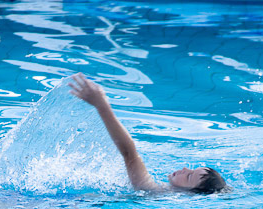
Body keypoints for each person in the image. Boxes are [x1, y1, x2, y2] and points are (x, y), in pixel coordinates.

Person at [68, 73, 227, 194]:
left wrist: (101, 104)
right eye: (192, 169)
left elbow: (129, 153)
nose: (185, 168)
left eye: (188, 176)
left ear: (189, 193)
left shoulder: (152, 191)